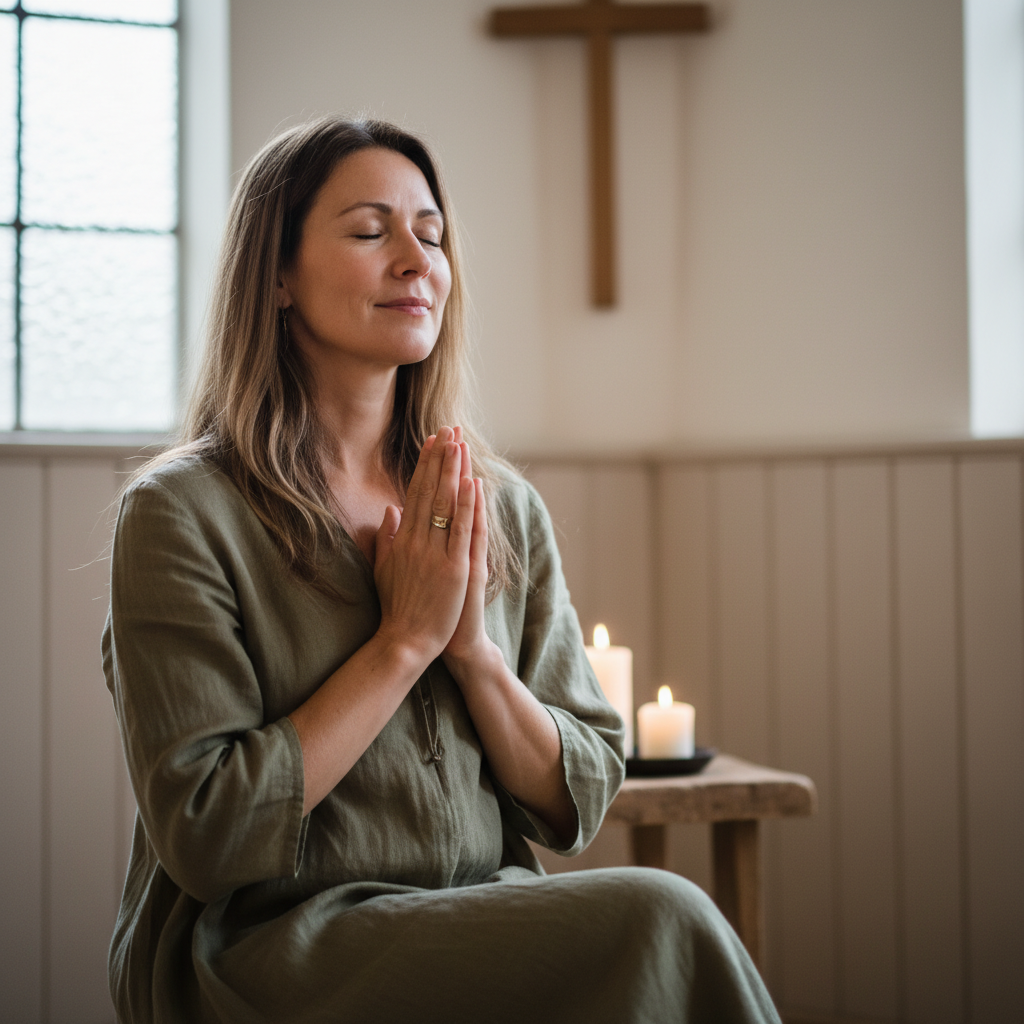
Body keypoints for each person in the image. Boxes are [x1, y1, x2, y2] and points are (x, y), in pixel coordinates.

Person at [102, 116, 781, 1024]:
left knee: (652, 927)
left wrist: (474, 657)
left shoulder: (497, 506)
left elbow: (578, 794)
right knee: (665, 915)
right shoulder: (181, 514)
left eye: (431, 234)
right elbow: (210, 833)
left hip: (485, 904)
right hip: (275, 943)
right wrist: (403, 644)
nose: (416, 260)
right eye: (369, 231)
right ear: (275, 277)